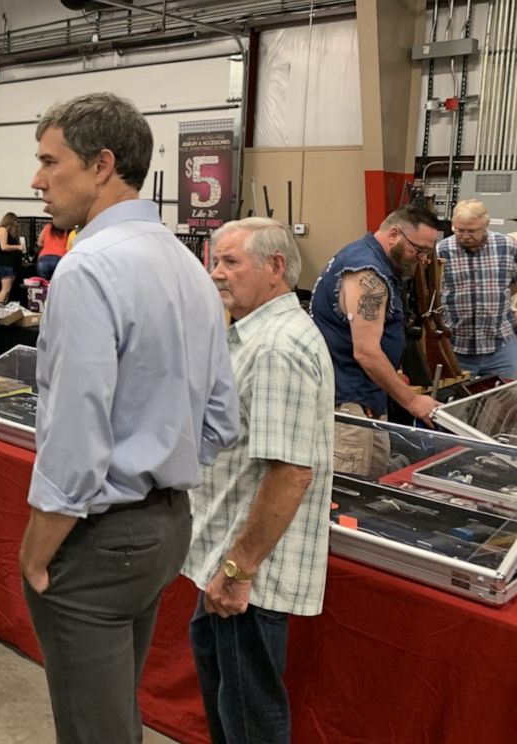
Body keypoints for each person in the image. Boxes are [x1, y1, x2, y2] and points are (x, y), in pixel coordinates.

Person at [19, 93, 239, 744]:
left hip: (97, 536)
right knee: (116, 714)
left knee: (96, 730)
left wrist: (36, 552)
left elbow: (75, 440)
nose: (36, 179)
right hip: (167, 525)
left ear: (101, 165)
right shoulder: (190, 266)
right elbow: (222, 418)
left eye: (47, 161)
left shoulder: (89, 268)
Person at [183, 218, 334, 744]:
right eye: (215, 261)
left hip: (249, 576)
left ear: (275, 268)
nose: (216, 273)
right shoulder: (252, 334)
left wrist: (238, 568)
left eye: (230, 262)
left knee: (250, 719)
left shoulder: (276, 348)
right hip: (227, 560)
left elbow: (290, 472)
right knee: (232, 710)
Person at [310, 205, 441, 478]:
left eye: (427, 253)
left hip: (366, 400)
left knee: (373, 485)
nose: (422, 260)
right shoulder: (367, 272)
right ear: (394, 234)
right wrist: (413, 402)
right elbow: (366, 352)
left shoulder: (373, 261)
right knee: (347, 499)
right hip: (347, 404)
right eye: (419, 251)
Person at [437, 199, 517, 380]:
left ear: (485, 225)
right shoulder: (441, 251)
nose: (465, 235)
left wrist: (501, 296)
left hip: (500, 344)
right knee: (458, 403)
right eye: (459, 230)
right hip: (457, 347)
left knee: (510, 400)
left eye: (472, 231)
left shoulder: (508, 246)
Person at [0, 211, 23, 304]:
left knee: (8, 290)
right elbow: (4, 247)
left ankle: (3, 307)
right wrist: (17, 247)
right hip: (5, 263)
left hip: (11, 263)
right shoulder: (2, 230)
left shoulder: (10, 233)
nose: (17, 224)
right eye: (16, 222)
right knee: (5, 289)